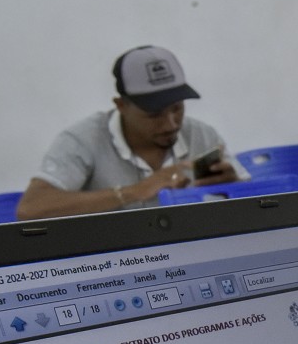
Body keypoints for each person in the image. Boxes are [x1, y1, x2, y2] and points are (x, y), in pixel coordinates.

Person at [17, 46, 238, 220]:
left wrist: (234, 187)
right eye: (154, 114)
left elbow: (250, 204)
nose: (171, 124)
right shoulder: (82, 140)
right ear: (121, 105)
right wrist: (134, 192)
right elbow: (31, 209)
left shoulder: (202, 134)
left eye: (177, 108)